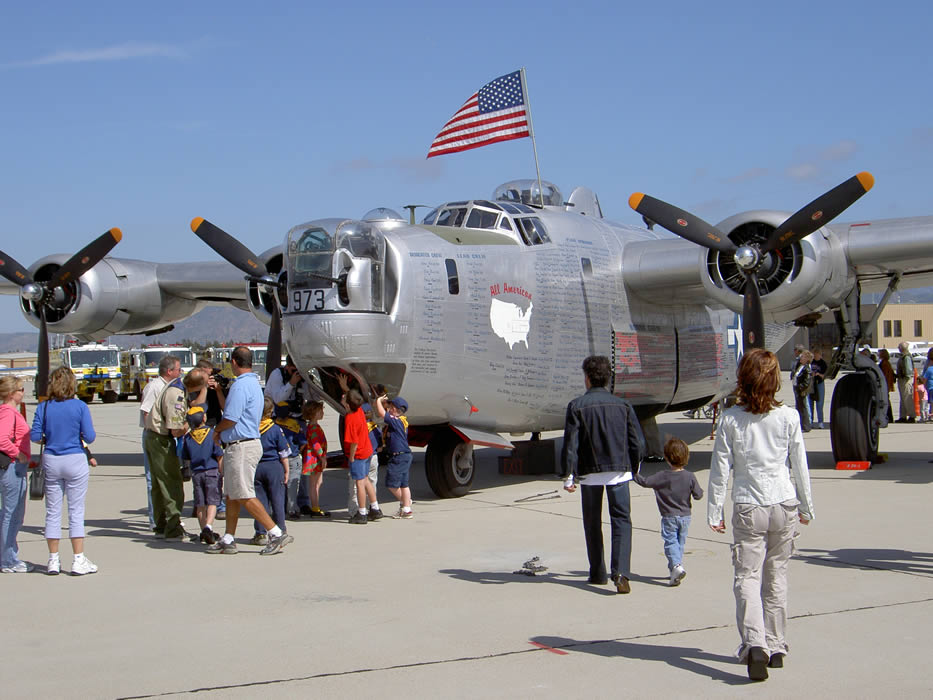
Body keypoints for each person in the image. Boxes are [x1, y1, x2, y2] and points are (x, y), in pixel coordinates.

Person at [708, 348, 814, 681]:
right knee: (777, 575)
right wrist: (807, 506)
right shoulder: (789, 417)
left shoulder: (730, 419)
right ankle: (777, 643)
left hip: (748, 504)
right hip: (784, 503)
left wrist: (715, 511)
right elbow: (799, 466)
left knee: (747, 577)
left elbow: (719, 470)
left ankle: (755, 643)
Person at [560, 355, 646, 594]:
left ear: (587, 378)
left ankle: (597, 572)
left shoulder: (576, 406)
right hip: (619, 472)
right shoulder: (624, 405)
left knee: (592, 521)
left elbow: (571, 445)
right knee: (621, 520)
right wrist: (635, 466)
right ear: (608, 379)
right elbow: (637, 441)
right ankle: (620, 573)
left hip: (589, 473)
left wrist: (568, 475)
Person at [207, 346, 293, 555]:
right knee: (232, 494)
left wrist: (217, 431)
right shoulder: (254, 384)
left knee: (244, 494)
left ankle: (275, 532)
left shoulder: (240, 386)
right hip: (246, 443)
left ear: (234, 362)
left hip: (241, 445)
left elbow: (231, 417)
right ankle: (228, 537)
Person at [31, 367, 98, 576]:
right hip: (75, 458)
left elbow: (34, 435)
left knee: (53, 511)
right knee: (76, 511)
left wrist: (47, 438)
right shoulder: (80, 406)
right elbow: (90, 435)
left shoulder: (44, 407)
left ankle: (53, 559)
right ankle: (78, 559)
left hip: (52, 458)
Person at [633, 437, 703, 586]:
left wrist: (634, 474)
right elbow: (698, 495)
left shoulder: (662, 475)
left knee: (670, 543)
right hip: (685, 516)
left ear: (666, 457)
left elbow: (646, 482)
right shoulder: (690, 476)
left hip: (669, 516)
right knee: (680, 543)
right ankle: (674, 571)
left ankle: (676, 566)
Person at [144, 355, 188, 541]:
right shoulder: (164, 389)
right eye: (179, 370)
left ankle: (161, 524)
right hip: (160, 438)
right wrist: (189, 425)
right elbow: (174, 428)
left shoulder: (168, 387)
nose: (180, 373)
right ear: (170, 371)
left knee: (158, 483)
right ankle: (172, 528)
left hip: (155, 436)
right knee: (170, 482)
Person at [265, 355, 313, 515]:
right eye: (293, 370)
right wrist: (291, 383)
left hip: (298, 422)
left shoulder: (302, 377)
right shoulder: (277, 375)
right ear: (287, 367)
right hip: (281, 422)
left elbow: (311, 396)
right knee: (285, 462)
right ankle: (284, 502)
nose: (296, 373)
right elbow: (278, 398)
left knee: (302, 462)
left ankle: (303, 500)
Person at [0, 376, 32, 573]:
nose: (23, 392)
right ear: (12, 393)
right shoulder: (8, 413)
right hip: (12, 467)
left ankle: (8, 555)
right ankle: (8, 559)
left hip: (17, 466)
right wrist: (18, 454)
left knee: (12, 514)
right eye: (21, 389)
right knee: (11, 515)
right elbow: (2, 438)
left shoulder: (10, 412)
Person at [181, 406, 223, 544]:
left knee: (200, 504)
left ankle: (203, 530)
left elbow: (185, 457)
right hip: (211, 471)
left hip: (197, 473)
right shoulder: (212, 434)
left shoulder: (188, 438)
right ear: (204, 418)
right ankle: (208, 527)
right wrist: (222, 471)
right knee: (212, 501)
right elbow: (219, 455)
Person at [251, 398, 290, 545]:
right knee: (277, 500)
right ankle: (280, 530)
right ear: (271, 412)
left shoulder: (252, 429)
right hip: (273, 466)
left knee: (260, 501)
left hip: (257, 466)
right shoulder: (275, 429)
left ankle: (260, 533)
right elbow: (283, 452)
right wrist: (286, 470)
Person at [343, 389, 383, 524]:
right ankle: (375, 507)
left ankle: (362, 512)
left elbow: (353, 442)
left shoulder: (349, 419)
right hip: (368, 450)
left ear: (348, 405)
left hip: (358, 454)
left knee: (359, 483)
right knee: (366, 480)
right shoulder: (359, 410)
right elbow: (353, 399)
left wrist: (352, 457)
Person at [376, 395, 413, 518]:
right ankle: (406, 510)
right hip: (404, 455)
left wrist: (378, 401)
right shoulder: (400, 420)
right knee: (404, 484)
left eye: (391, 407)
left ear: (396, 409)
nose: (389, 409)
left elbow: (382, 414)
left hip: (398, 457)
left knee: (391, 484)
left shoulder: (396, 421)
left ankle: (406, 502)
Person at [276, 401, 307, 520]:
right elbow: (303, 442)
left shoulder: (274, 426)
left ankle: (279, 509)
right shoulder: (294, 425)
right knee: (293, 485)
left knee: (279, 485)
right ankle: (292, 509)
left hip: (279, 459)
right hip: (293, 457)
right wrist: (297, 451)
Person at [301, 400, 331, 517]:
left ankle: (316, 506)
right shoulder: (313, 428)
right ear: (313, 413)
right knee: (314, 484)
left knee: (318, 482)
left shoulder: (314, 426)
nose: (322, 413)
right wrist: (322, 457)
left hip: (315, 458)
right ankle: (315, 507)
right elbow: (316, 444)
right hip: (314, 459)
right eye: (320, 411)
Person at [791, 349, 812, 432]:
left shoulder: (806, 368)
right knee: (799, 407)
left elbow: (806, 381)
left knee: (803, 408)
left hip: (801, 390)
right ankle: (801, 425)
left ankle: (806, 426)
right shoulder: (800, 366)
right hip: (797, 388)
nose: (801, 358)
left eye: (803, 357)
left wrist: (800, 387)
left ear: (807, 359)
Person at [895, 341, 916, 423]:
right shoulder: (903, 357)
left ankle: (912, 416)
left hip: (905, 380)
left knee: (907, 399)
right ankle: (903, 416)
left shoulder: (906, 357)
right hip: (902, 379)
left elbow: (908, 370)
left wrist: (906, 376)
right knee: (903, 399)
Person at [808, 348, 827, 429]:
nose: (816, 355)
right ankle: (810, 421)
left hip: (819, 383)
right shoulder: (811, 362)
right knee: (810, 402)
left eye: (817, 354)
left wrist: (819, 374)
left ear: (820, 355)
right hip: (811, 383)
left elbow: (825, 375)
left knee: (820, 403)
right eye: (815, 354)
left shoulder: (823, 363)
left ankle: (820, 422)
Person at [878, 349, 896, 424]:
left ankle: (889, 417)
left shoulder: (884, 364)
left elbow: (885, 375)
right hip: (886, 384)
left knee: (886, 401)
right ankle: (889, 417)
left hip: (885, 384)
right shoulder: (886, 363)